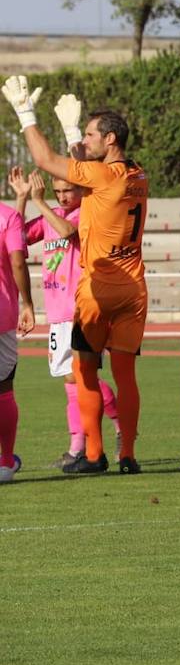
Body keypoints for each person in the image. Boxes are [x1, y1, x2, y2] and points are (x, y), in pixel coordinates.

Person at [3, 78, 148, 475]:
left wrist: (24, 112)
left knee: (83, 370)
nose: (85, 139)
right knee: (125, 376)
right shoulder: (138, 174)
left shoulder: (104, 177)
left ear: (111, 138)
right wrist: (73, 134)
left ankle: (94, 454)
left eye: (90, 134)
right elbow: (86, 171)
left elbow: (48, 160)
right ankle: (129, 456)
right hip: (134, 287)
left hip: (98, 288)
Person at [12, 168, 121, 470]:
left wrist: (41, 202)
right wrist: (22, 199)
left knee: (80, 377)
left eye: (67, 191)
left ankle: (100, 434)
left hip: (81, 307)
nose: (62, 196)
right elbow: (17, 236)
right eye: (58, 191)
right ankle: (81, 443)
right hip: (58, 310)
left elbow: (66, 232)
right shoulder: (54, 213)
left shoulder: (85, 213)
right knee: (71, 381)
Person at [0, 171, 35, 483]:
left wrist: (22, 198)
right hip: (2, 314)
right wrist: (28, 303)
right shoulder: (7, 216)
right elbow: (17, 260)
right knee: (3, 389)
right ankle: (6, 461)